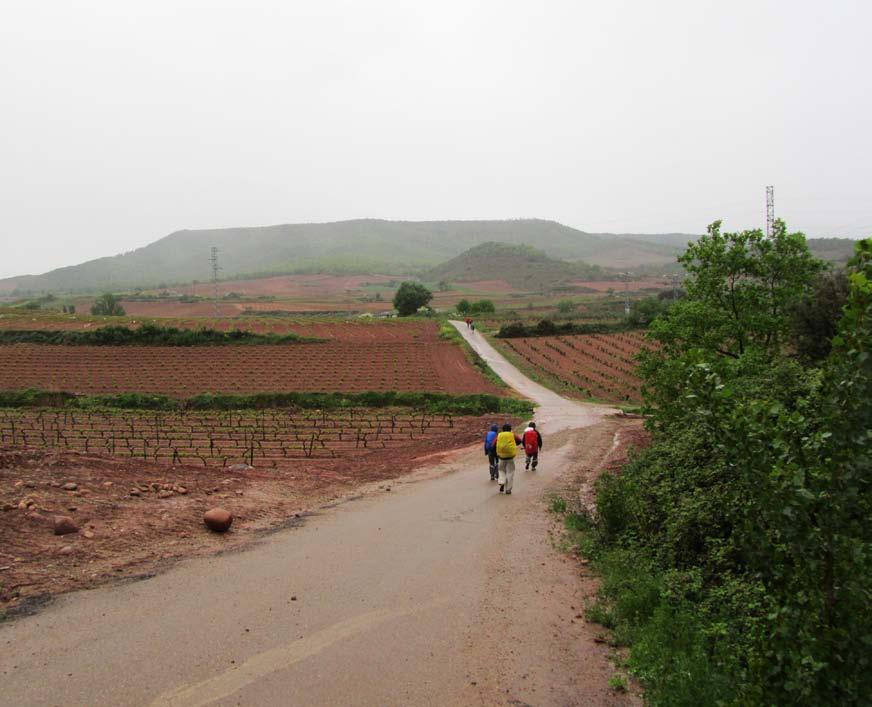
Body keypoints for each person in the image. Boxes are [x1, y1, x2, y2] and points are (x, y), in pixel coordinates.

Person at [495, 422, 522, 495]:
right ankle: (508, 490)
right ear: (510, 429)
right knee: (510, 472)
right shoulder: (512, 434)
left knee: (501, 470)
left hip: (501, 456)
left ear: (502, 429)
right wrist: (513, 444)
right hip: (510, 456)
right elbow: (519, 440)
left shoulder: (499, 435)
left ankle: (501, 482)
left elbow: (494, 444)